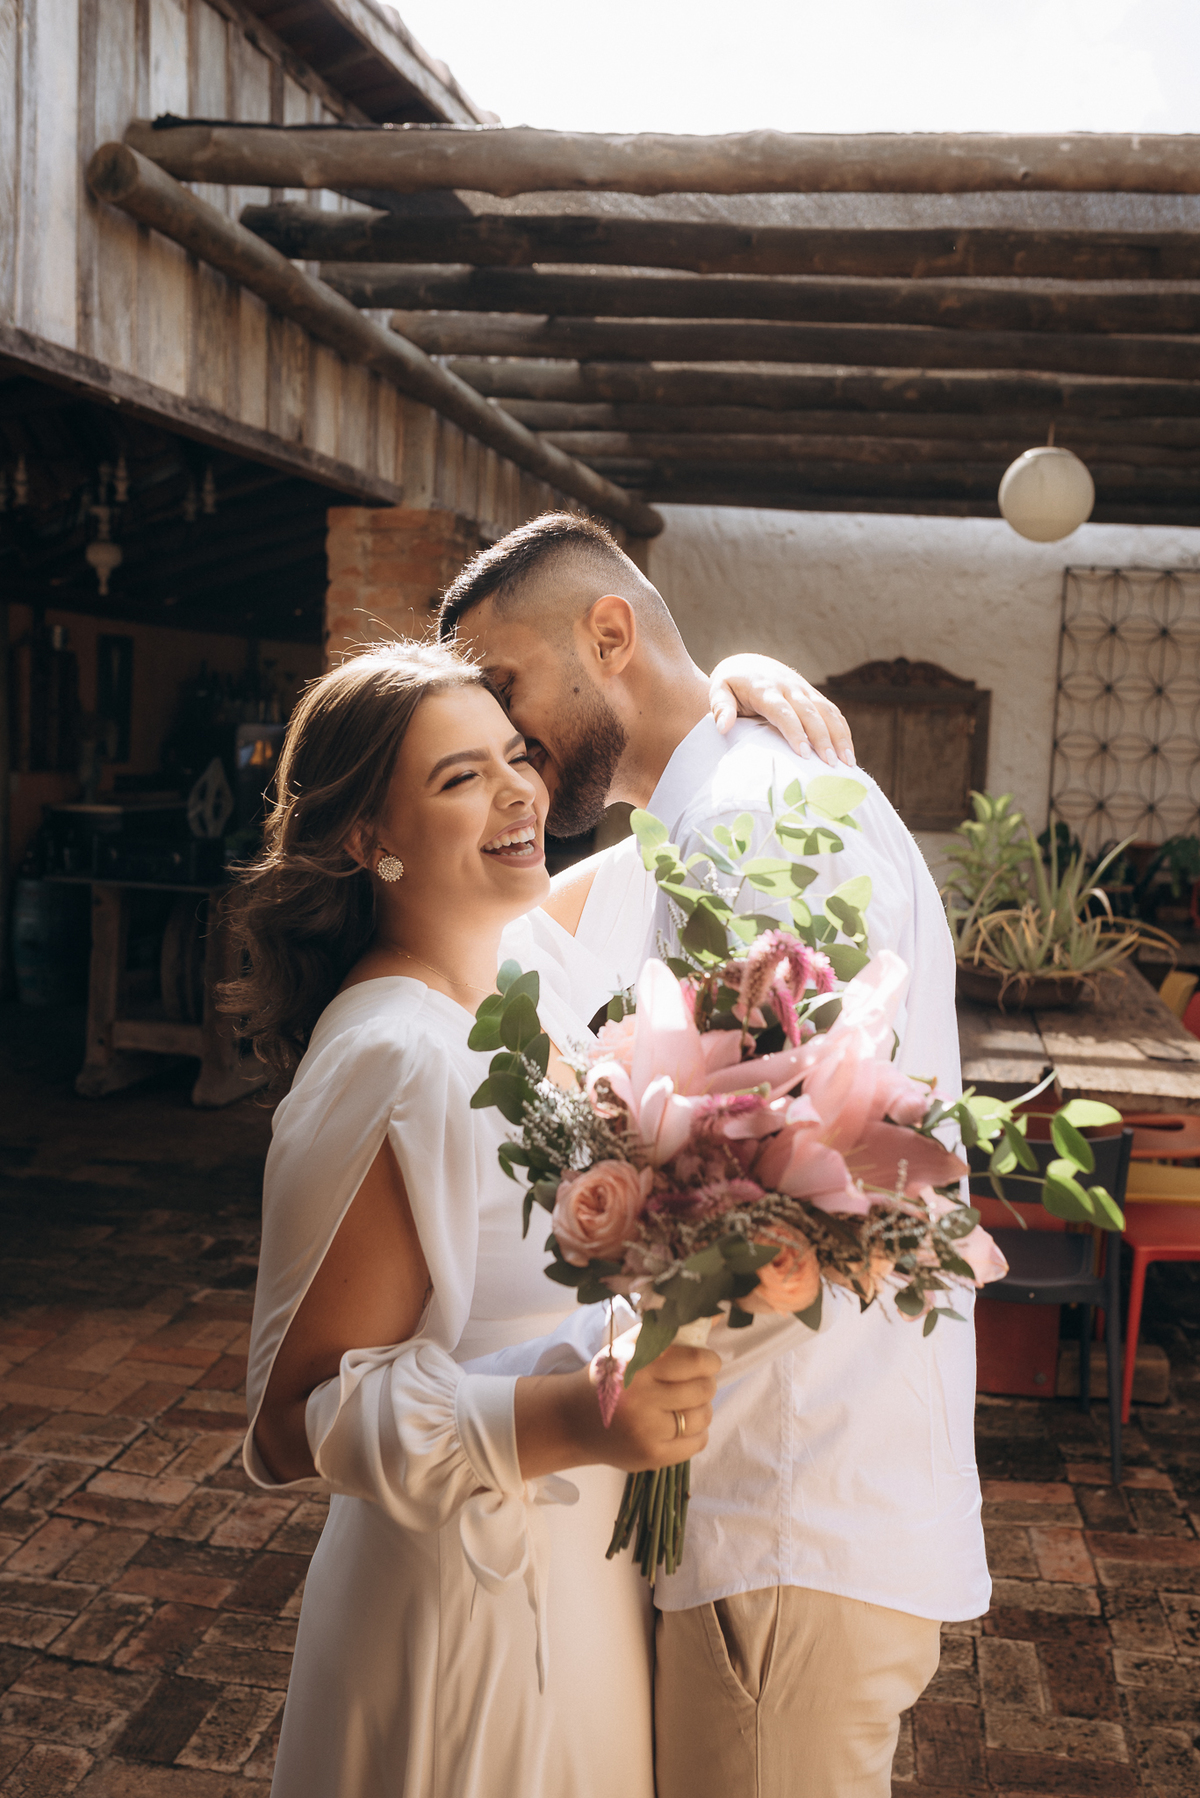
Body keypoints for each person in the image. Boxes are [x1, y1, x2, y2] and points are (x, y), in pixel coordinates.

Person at [438, 513, 991, 1798]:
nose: (500, 735)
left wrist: (543, 1399)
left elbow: (815, 1198)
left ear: (609, 635)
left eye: (505, 685)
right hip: (757, 1504)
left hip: (787, 1505)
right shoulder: (698, 819)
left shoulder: (757, 823)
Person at [225, 640, 722, 1798]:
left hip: (585, 1574)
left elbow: (657, 849)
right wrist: (569, 1417)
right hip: (471, 1608)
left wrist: (735, 693)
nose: (518, 793)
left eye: (515, 756)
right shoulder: (390, 1055)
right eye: (461, 777)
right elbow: (290, 1423)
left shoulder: (528, 961)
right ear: (369, 839)